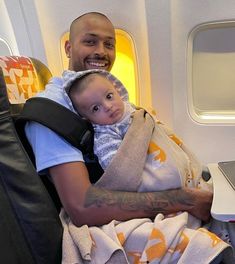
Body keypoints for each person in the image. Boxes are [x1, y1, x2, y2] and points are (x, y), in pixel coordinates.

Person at [25, 11, 213, 228]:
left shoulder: (102, 90)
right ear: (68, 48)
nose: (101, 52)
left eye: (109, 44)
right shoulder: (52, 110)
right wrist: (185, 199)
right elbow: (82, 207)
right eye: (90, 41)